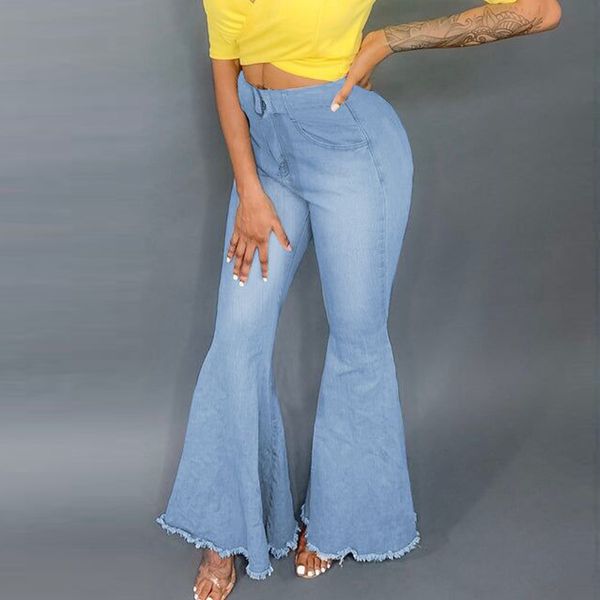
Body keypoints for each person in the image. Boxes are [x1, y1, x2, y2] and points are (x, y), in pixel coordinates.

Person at [155, 0, 562, 598]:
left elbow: (538, 10)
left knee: (356, 337)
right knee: (237, 336)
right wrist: (248, 189)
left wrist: (389, 40)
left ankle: (335, 520)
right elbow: (225, 65)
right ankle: (225, 529)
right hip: (263, 155)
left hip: (346, 149)